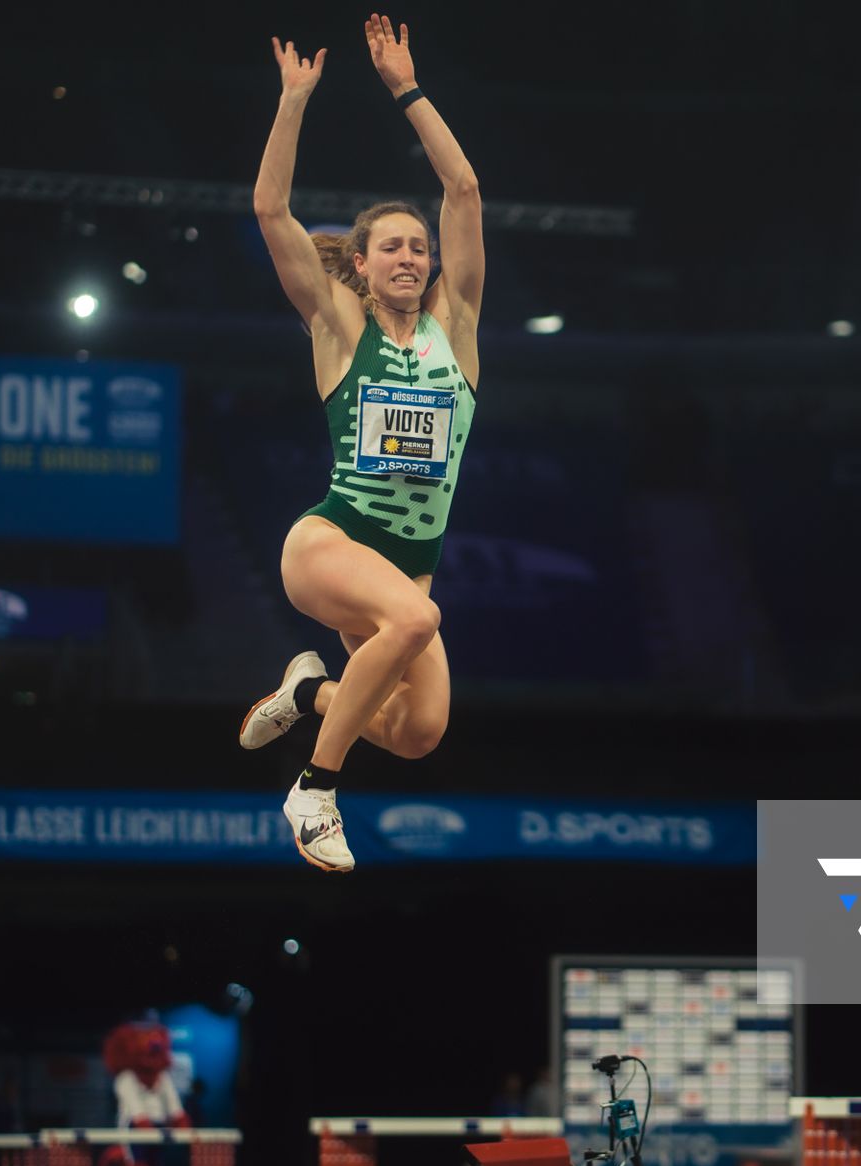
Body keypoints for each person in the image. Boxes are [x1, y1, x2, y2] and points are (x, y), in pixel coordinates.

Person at [240, 14, 484, 872]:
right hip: (330, 545)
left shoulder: (457, 327)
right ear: (365, 264)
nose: (410, 256)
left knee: (418, 732)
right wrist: (293, 102)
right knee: (417, 619)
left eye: (419, 247)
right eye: (392, 248)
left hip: (407, 569)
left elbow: (464, 190)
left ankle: (310, 689)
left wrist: (407, 90)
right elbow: (270, 209)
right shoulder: (339, 327)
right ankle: (314, 790)